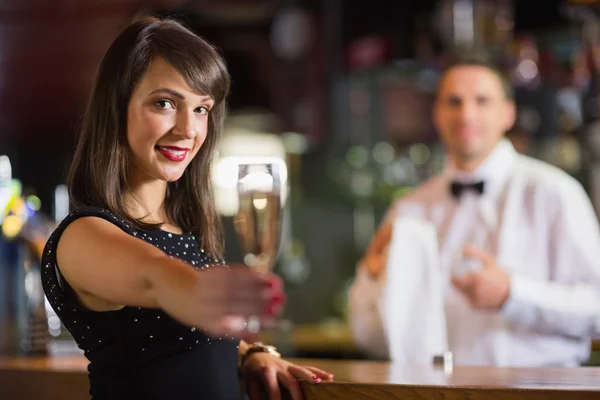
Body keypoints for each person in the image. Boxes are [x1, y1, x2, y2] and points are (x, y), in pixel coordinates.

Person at [41, 17, 332, 400]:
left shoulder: (182, 230)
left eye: (201, 109)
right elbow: (157, 276)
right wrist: (202, 293)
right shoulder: (83, 235)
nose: (188, 129)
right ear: (118, 106)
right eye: (165, 103)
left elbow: (179, 342)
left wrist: (250, 354)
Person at [348, 50, 600, 367]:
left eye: (482, 101)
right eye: (454, 102)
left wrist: (512, 294)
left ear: (507, 113)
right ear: (437, 114)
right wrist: (373, 281)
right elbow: (370, 339)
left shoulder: (554, 193)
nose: (466, 115)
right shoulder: (409, 209)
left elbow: (596, 311)